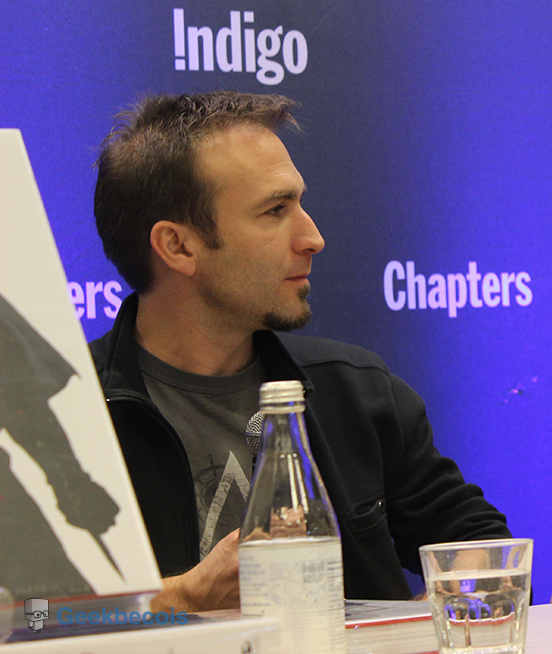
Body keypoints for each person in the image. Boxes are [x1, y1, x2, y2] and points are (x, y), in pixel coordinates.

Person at [90, 91, 510, 611]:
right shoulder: (61, 418)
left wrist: (433, 617)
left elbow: (480, 545)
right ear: (178, 246)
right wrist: (184, 596)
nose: (313, 237)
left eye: (299, 204)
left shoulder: (355, 392)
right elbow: (29, 618)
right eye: (275, 210)